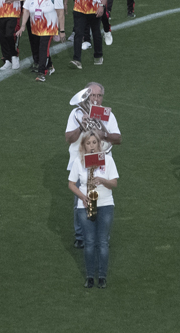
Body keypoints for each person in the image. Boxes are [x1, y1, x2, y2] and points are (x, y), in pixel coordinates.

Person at [65, 83, 121, 248]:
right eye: (92, 96)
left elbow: (118, 139)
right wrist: (81, 126)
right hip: (80, 161)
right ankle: (81, 235)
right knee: (80, 200)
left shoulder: (106, 114)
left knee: (100, 197)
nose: (96, 99)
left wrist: (103, 134)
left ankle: (100, 234)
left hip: (101, 160)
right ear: (86, 96)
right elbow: (69, 138)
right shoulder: (76, 113)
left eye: (99, 96)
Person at [69, 130, 118, 288]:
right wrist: (82, 197)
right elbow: (71, 184)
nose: (91, 146)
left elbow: (114, 184)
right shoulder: (79, 161)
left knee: (102, 242)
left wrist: (103, 180)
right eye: (88, 143)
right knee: (89, 242)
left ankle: (102, 277)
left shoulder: (107, 160)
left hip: (105, 203)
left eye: (94, 142)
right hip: (85, 204)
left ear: (99, 144)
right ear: (83, 145)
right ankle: (90, 276)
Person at [18, 0, 65, 82]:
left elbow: (60, 13)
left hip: (49, 27)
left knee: (43, 48)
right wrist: (23, 25)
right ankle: (50, 66)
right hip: (35, 27)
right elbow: (26, 9)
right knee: (40, 48)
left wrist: (62, 30)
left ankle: (41, 73)